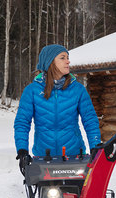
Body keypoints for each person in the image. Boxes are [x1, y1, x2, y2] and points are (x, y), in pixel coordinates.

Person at [14, 44, 101, 173]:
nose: (68, 61)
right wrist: (22, 151)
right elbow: (22, 123)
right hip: (43, 158)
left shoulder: (78, 90)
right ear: (50, 62)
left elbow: (90, 120)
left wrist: (95, 147)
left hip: (74, 158)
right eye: (62, 58)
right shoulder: (32, 91)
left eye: (68, 57)